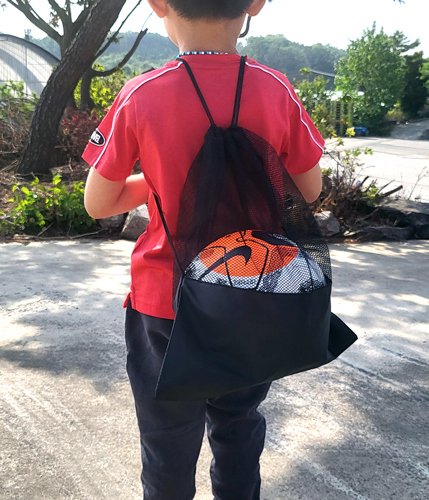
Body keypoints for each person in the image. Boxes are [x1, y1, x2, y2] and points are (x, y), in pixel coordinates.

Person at [83, 1, 325, 498]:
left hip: (165, 301)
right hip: (252, 294)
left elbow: (98, 203)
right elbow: (310, 187)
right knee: (239, 428)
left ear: (158, 3)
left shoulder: (141, 93)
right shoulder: (275, 88)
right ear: (255, 4)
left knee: (166, 444)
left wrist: (156, 180)